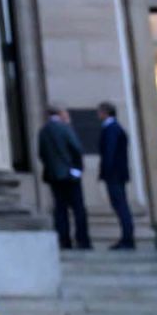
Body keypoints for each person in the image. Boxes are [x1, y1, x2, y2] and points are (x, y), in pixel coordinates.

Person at [37, 106, 90, 251]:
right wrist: (78, 169)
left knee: (60, 210)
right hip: (70, 175)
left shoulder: (43, 131)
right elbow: (76, 148)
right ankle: (83, 240)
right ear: (60, 114)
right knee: (78, 209)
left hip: (54, 176)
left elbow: (41, 154)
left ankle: (64, 240)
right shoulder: (64, 128)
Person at [97, 100, 135, 250]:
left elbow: (109, 153)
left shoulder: (112, 129)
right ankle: (127, 238)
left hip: (114, 175)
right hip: (117, 174)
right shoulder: (115, 128)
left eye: (99, 112)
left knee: (120, 206)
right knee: (120, 205)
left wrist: (105, 172)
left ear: (105, 113)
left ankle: (127, 239)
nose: (98, 115)